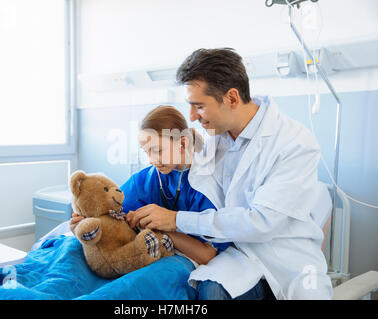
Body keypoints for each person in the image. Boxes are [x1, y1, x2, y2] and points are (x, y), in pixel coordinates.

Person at [127, 48, 334, 300]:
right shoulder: (214, 139)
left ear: (232, 98)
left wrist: (175, 220)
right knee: (210, 290)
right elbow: (178, 171)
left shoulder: (295, 143)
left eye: (199, 106)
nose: (192, 117)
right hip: (237, 255)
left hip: (286, 260)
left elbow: (261, 223)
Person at [70, 105, 231, 267]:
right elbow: (108, 213)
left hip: (176, 262)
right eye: (146, 152)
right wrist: (83, 222)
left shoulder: (204, 186)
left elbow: (207, 254)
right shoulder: (145, 180)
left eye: (157, 150)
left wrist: (164, 226)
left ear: (182, 143)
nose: (151, 160)